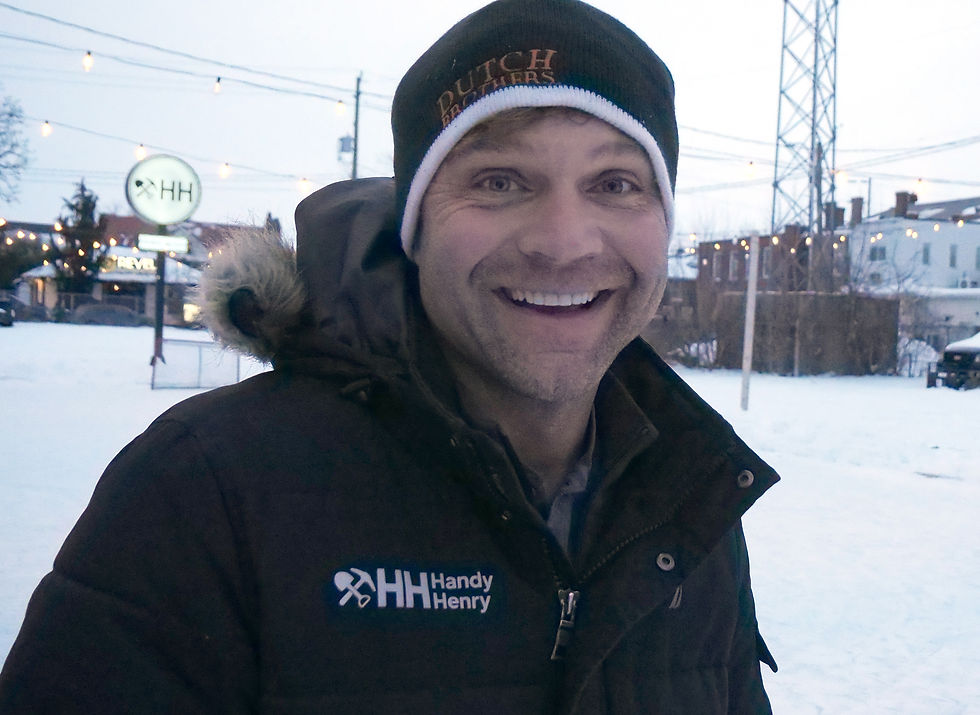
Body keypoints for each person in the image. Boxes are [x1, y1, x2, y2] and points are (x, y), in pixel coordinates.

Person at [0, 0, 778, 712]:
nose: (564, 240)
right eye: (501, 180)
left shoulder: (686, 505)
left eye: (615, 181)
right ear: (415, 226)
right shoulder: (209, 491)